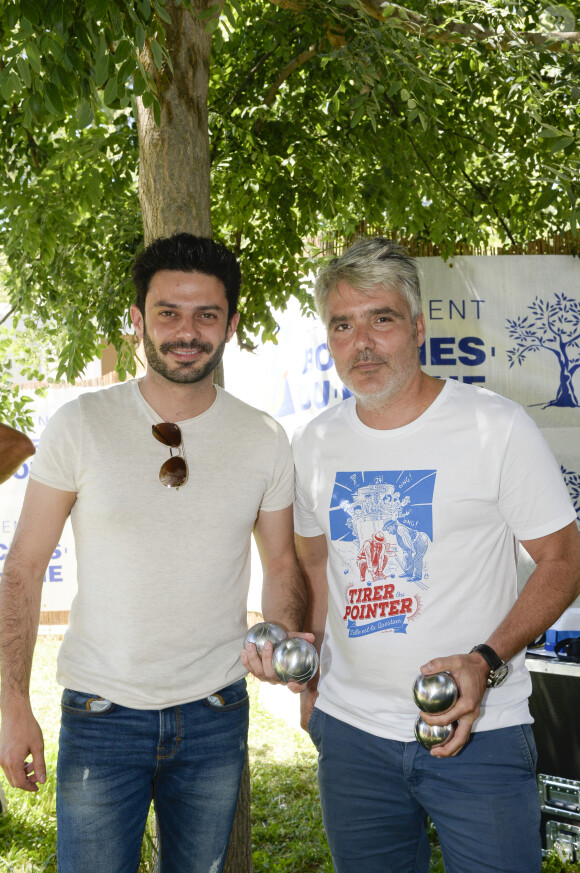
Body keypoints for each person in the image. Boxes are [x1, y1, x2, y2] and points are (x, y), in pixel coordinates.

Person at [0, 233, 308, 873]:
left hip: (216, 711)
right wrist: (10, 703)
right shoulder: (79, 425)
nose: (186, 332)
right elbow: (23, 571)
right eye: (167, 312)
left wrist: (278, 634)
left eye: (206, 314)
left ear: (232, 323)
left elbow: (281, 564)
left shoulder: (263, 437)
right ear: (137, 320)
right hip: (99, 713)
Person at [289, 237, 580, 873]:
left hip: (481, 730)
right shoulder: (313, 444)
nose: (362, 343)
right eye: (343, 324)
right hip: (353, 736)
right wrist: (309, 675)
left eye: (381, 319)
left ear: (418, 327)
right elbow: (313, 566)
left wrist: (485, 661)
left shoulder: (494, 426)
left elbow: (564, 560)